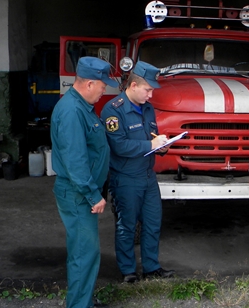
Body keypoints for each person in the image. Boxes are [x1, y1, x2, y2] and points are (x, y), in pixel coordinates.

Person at [50, 56, 119, 308]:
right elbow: (75, 161)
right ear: (89, 83)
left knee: (85, 252)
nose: (104, 91)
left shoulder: (80, 107)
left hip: (81, 192)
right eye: (102, 85)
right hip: (78, 193)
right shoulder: (71, 111)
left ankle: (83, 302)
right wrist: (93, 194)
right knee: (84, 254)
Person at [101, 61, 174, 283]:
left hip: (147, 177)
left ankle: (152, 268)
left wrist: (161, 146)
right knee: (127, 226)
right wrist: (150, 146)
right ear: (133, 85)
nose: (151, 95)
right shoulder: (113, 111)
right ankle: (128, 271)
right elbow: (119, 146)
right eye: (148, 89)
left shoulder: (147, 109)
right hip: (125, 178)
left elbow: (150, 137)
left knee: (152, 223)